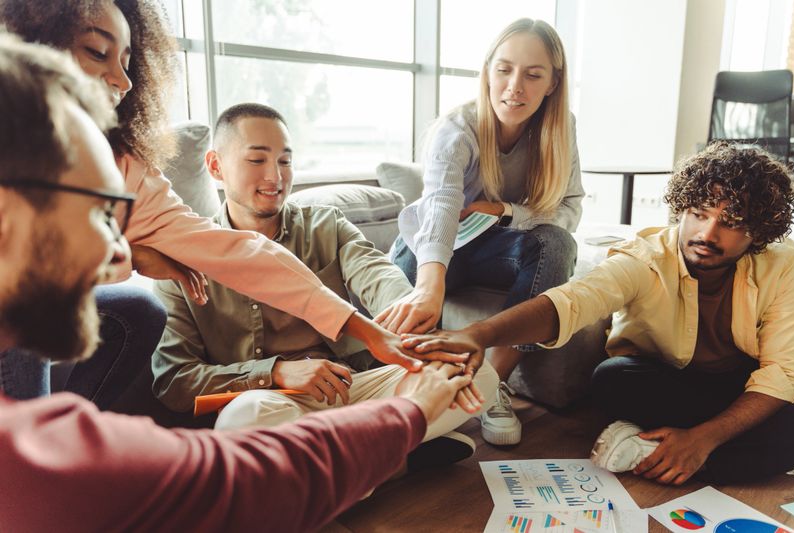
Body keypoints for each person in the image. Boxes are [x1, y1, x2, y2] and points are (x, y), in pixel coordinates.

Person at [0, 33, 474, 531]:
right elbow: (209, 451)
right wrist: (405, 415)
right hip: (262, 411)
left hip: (345, 396)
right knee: (247, 419)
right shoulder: (27, 454)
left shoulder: (294, 228)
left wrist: (396, 333)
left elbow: (260, 259)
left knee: (469, 376)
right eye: (100, 212)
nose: (124, 254)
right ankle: (383, 467)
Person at [0, 0, 438, 404]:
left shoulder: (129, 168)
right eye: (97, 52)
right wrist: (131, 259)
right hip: (14, 297)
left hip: (342, 387)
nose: (123, 79)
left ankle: (64, 440)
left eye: (128, 60)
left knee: (138, 313)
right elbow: (177, 380)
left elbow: (241, 253)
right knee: (24, 307)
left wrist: (373, 331)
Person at [403, 142, 794, 484]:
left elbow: (781, 373)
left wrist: (705, 438)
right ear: (682, 209)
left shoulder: (785, 266)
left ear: (759, 231)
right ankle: (699, 451)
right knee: (613, 380)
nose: (707, 234)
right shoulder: (645, 258)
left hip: (740, 384)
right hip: (667, 381)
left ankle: (660, 451)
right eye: (699, 212)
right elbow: (574, 300)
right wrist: (479, 334)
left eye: (730, 223)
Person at [151, 103, 499, 463]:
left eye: (285, 161)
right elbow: (174, 381)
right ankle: (390, 457)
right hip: (271, 401)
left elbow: (378, 277)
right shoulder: (181, 260)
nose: (275, 176)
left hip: (353, 389)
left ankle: (340, 461)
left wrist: (412, 320)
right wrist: (276, 372)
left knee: (478, 374)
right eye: (257, 160)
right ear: (215, 166)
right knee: (243, 421)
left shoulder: (327, 226)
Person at [382, 18, 584, 446]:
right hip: (432, 248)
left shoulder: (561, 130)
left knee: (557, 244)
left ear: (552, 83)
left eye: (533, 75)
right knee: (410, 282)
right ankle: (412, 396)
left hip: (495, 250)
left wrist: (505, 211)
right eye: (504, 69)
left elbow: (568, 209)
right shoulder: (456, 128)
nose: (515, 86)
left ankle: (493, 383)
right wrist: (429, 287)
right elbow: (439, 207)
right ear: (488, 70)